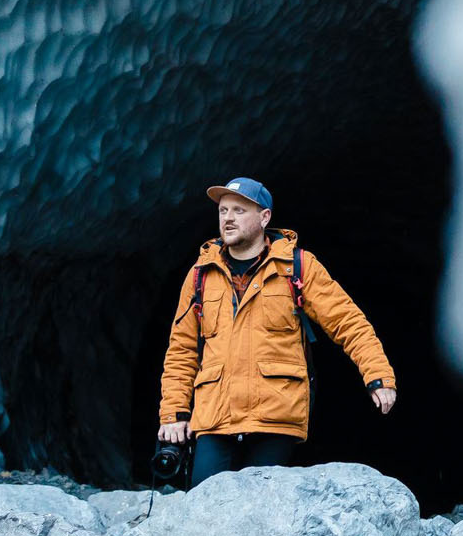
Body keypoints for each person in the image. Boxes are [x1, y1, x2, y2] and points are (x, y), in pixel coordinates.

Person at [157, 176, 397, 486]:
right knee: (203, 505)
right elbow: (182, 350)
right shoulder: (200, 275)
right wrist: (174, 413)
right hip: (215, 418)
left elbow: (348, 322)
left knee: (262, 507)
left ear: (264, 217)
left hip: (275, 418)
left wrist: (378, 375)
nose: (228, 218)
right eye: (223, 210)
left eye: (239, 211)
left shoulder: (297, 267)